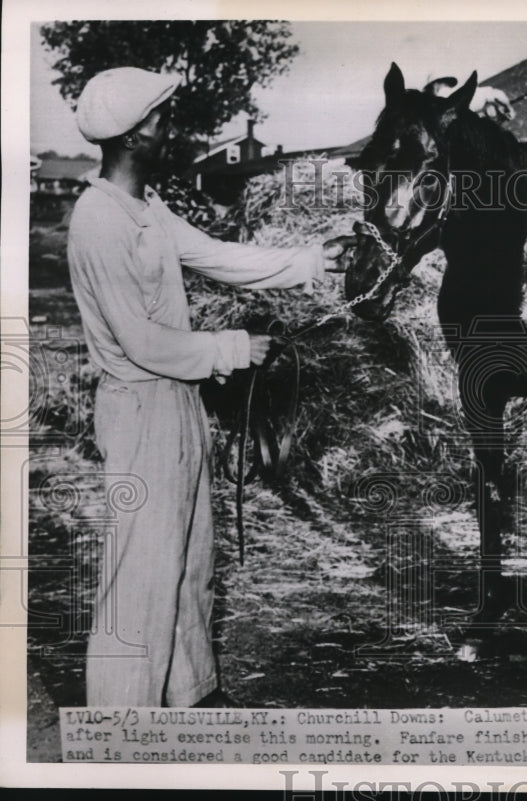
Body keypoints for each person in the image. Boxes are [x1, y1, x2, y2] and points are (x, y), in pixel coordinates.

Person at [68, 67, 343, 707]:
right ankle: (121, 722)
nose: (169, 129)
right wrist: (232, 348)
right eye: (160, 120)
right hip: (139, 406)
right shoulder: (98, 221)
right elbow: (142, 341)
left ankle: (190, 694)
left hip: (178, 399)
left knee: (190, 555)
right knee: (141, 570)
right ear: (134, 136)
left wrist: (306, 261)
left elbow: (216, 254)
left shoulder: (147, 207)